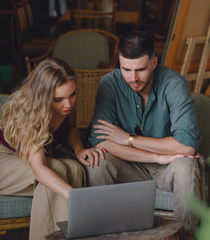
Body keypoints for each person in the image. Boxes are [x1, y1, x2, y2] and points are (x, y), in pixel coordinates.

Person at [0, 58, 105, 240]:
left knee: (74, 168)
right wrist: (76, 197)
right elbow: (40, 169)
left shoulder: (66, 105)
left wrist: (79, 150)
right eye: (58, 99)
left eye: (73, 94)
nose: (68, 104)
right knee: (56, 171)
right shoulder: (29, 114)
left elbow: (71, 128)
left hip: (26, 162)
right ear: (42, 96)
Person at [86, 31, 201, 235]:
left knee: (186, 165)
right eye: (126, 69)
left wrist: (128, 139)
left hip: (168, 169)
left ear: (154, 63)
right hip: (129, 166)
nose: (133, 78)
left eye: (140, 69)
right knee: (98, 161)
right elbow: (101, 142)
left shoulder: (174, 84)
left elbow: (186, 145)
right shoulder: (109, 84)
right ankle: (103, 235)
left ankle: (186, 236)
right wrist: (156, 156)